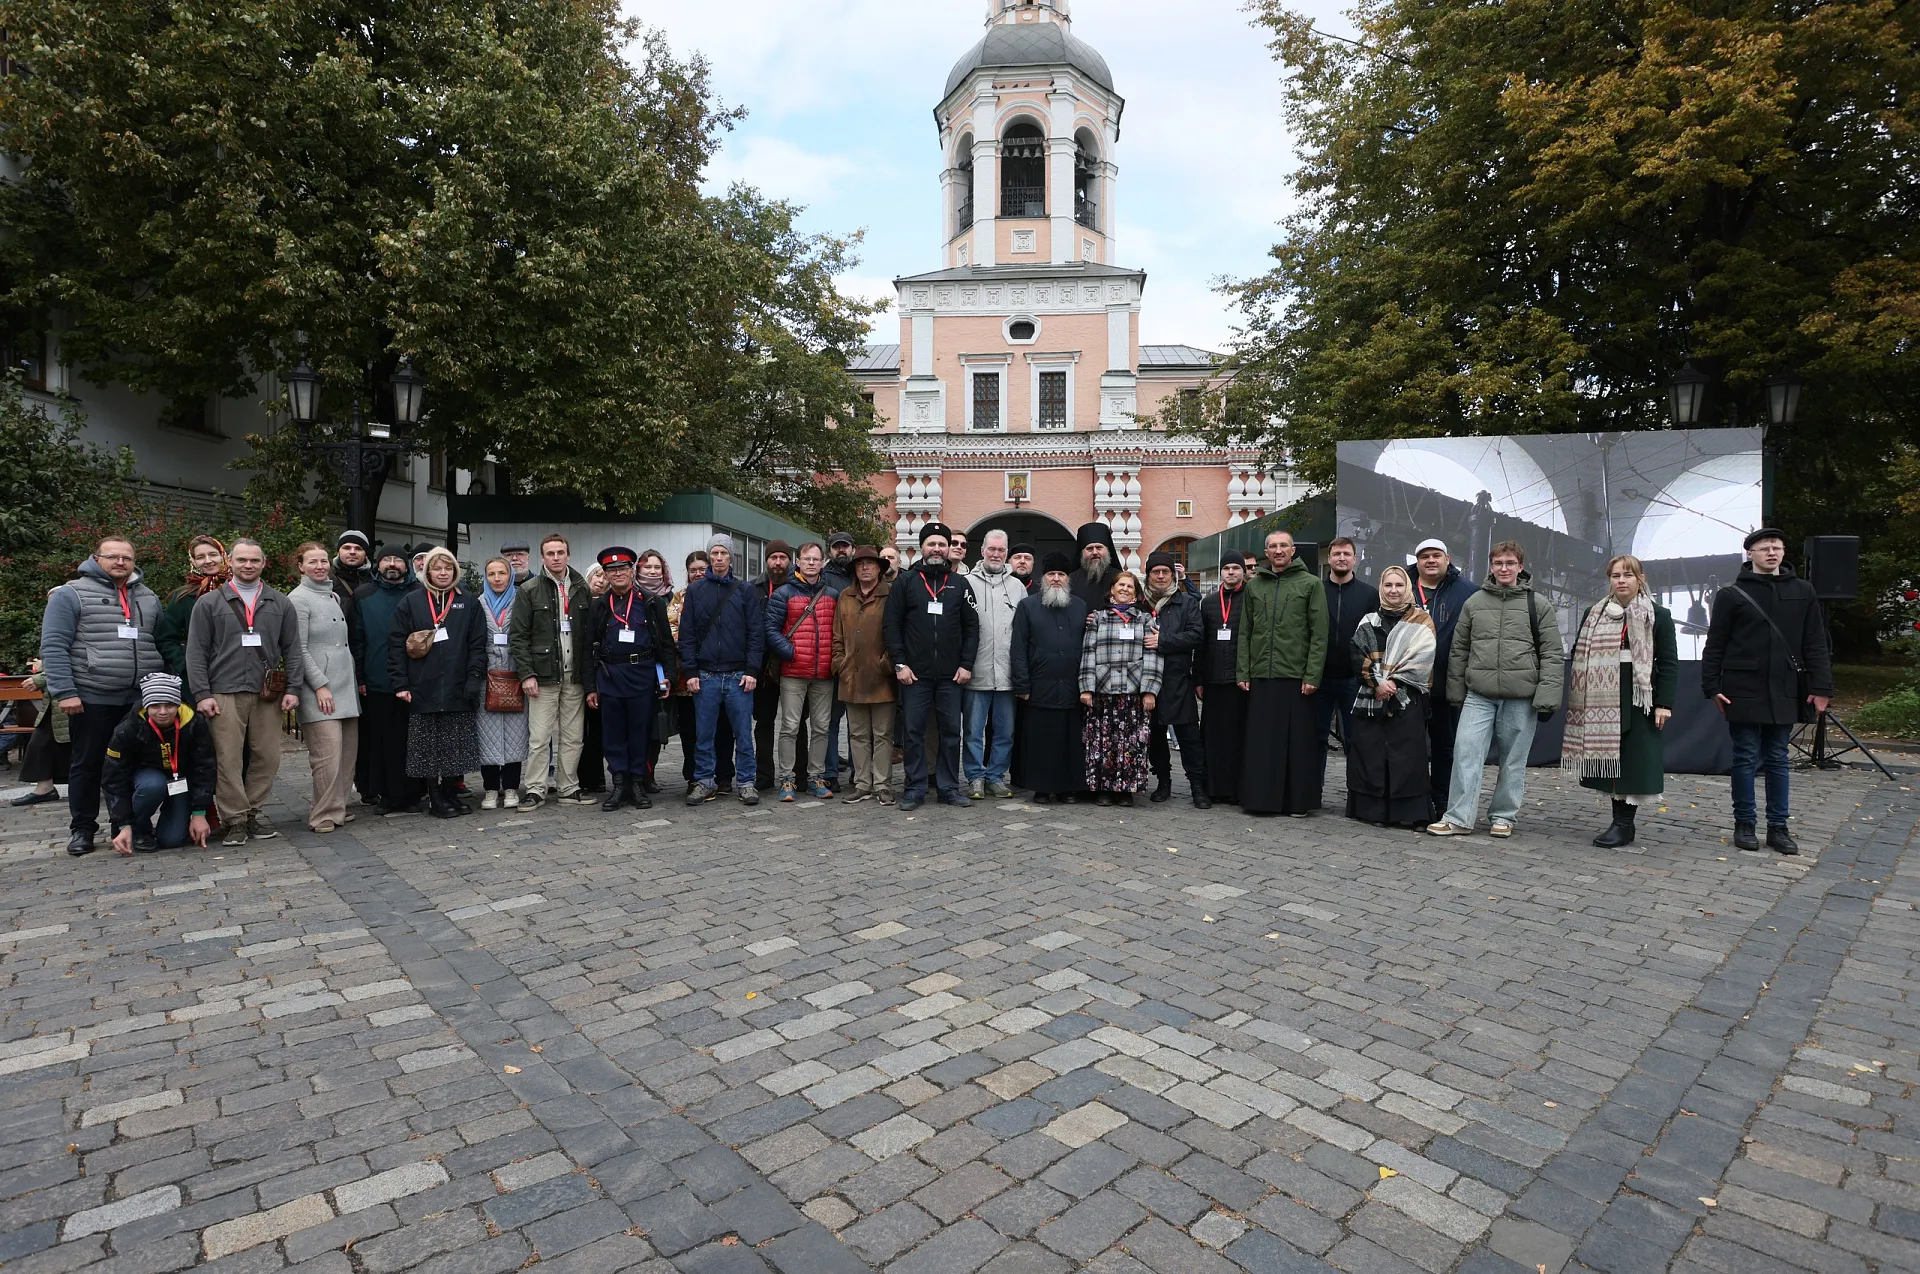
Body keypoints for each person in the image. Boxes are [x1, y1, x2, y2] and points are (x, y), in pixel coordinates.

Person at [1701, 529, 1833, 854]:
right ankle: (1744, 824)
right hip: (1742, 686)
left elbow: (1816, 642)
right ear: (1750, 554)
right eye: (1764, 548)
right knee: (1745, 756)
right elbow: (1715, 644)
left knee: (1777, 757)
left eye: (1776, 547)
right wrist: (1712, 687)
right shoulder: (1731, 594)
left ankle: (1779, 828)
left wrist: (1821, 687)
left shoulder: (1803, 591)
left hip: (1785, 686)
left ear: (1783, 552)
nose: (1771, 553)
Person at [1428, 541, 1564, 838]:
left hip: (1521, 697)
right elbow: (1459, 651)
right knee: (1465, 753)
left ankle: (1504, 816)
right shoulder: (1474, 603)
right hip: (1479, 695)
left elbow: (1552, 653)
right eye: (1499, 563)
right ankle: (1458, 817)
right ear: (1491, 566)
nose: (1504, 568)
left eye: (1510, 563)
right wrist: (1456, 693)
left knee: (1513, 760)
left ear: (1520, 566)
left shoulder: (1537, 604)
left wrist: (1547, 697)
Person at [41, 538, 166, 857]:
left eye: (127, 557)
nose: (121, 562)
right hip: (92, 695)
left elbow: (160, 642)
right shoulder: (71, 594)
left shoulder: (148, 596)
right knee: (87, 764)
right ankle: (82, 828)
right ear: (96, 559)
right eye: (113, 556)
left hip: (139, 698)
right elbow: (53, 646)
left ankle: (130, 826)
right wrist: (65, 692)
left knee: (134, 764)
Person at [186, 537, 302, 846]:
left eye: (254, 560)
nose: (248, 565)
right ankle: (235, 819)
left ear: (264, 563)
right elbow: (196, 652)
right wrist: (202, 694)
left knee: (268, 756)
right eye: (241, 560)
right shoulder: (209, 603)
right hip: (223, 691)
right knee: (228, 758)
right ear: (231, 564)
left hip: (267, 692)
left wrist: (293, 688)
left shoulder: (280, 603)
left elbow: (293, 649)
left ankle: (252, 812)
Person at [1565, 555, 1679, 848]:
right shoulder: (1594, 613)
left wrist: (1663, 703)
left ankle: (1623, 824)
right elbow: (1581, 654)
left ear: (1640, 579)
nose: (1621, 580)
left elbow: (1668, 662)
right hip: (1601, 695)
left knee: (1634, 760)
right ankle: (1620, 823)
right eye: (1615, 575)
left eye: (1628, 575)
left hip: (1640, 696)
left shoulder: (1657, 614)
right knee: (1610, 760)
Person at [884, 522, 978, 810]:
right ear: (921, 548)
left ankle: (949, 787)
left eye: (941, 544)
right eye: (931, 544)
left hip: (952, 676)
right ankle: (914, 788)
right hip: (915, 675)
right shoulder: (906, 582)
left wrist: (966, 664)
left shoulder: (960, 584)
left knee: (951, 732)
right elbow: (891, 625)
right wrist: (900, 663)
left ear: (948, 549)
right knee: (913, 732)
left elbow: (972, 627)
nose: (936, 549)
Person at [389, 546, 485, 817]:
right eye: (437, 568)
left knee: (456, 744)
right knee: (428, 746)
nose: (443, 573)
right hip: (423, 685)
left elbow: (477, 643)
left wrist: (474, 677)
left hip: (458, 684)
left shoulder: (468, 601)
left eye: (448, 568)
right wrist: (401, 683)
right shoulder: (412, 601)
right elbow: (396, 643)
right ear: (427, 570)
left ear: (455, 571)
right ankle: (434, 797)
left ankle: (450, 792)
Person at [1236, 531, 1328, 816]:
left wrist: (1312, 675)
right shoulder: (1254, 586)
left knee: (1296, 743)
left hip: (1296, 675)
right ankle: (1261, 800)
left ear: (1293, 550)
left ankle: (1296, 802)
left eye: (1283, 546)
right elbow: (1245, 631)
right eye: (1273, 546)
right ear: (1266, 551)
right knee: (1263, 742)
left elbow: (1319, 634)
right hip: (1262, 674)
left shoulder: (1311, 584)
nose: (1278, 550)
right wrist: (1244, 670)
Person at [584, 547, 674, 811]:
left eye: (623, 568)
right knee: (613, 734)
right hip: (610, 676)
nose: (618, 574)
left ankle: (637, 782)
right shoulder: (600, 605)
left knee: (639, 732)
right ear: (606, 575)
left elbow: (666, 644)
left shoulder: (650, 602)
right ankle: (619, 783)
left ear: (632, 571)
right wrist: (591, 686)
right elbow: (588, 646)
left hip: (642, 675)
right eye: (612, 570)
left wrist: (667, 676)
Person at [1345, 566, 1435, 828]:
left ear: (1406, 588)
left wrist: (1393, 682)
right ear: (1381, 588)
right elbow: (1355, 653)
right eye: (1388, 585)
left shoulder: (1421, 620)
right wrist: (1376, 684)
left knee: (1406, 756)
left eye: (1398, 585)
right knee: (1370, 754)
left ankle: (1407, 813)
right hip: (1371, 697)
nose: (1393, 590)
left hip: (1408, 698)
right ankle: (1372, 811)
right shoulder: (1368, 620)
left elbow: (1424, 656)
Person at [681, 535, 764, 806]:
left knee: (742, 733)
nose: (718, 558)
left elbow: (755, 633)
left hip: (738, 674)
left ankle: (747, 781)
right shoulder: (695, 591)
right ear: (709, 557)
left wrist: (752, 669)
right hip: (705, 675)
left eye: (723, 554)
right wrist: (690, 671)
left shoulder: (745, 590)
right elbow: (687, 634)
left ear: (731, 558)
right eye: (714, 553)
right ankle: (703, 781)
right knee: (704, 734)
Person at [510, 534, 593, 808]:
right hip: (542, 677)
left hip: (574, 676)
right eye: (550, 553)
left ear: (568, 555)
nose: (556, 557)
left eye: (560, 552)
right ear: (542, 557)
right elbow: (519, 636)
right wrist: (526, 674)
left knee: (573, 737)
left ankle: (568, 787)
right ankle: (535, 789)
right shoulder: (530, 589)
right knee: (539, 738)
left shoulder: (581, 587)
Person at [101, 673, 214, 854]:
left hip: (180, 780)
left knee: (172, 840)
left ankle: (171, 823)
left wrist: (199, 813)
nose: (163, 712)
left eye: (169, 705)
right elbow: (113, 779)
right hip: (146, 779)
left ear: (178, 705)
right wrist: (122, 822)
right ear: (146, 706)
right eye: (155, 706)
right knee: (153, 785)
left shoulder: (194, 723)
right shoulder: (128, 728)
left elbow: (205, 767)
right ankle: (136, 829)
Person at [291, 542, 361, 833]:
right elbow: (299, 648)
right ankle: (322, 814)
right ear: (301, 566)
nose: (320, 566)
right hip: (321, 688)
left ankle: (339, 807)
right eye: (312, 561)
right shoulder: (298, 599)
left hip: (345, 685)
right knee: (327, 757)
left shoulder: (331, 595)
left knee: (347, 755)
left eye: (323, 560)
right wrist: (319, 685)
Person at [1011, 553, 1090, 803]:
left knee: (1070, 739)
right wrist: (1022, 683)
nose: (1056, 578)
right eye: (1051, 574)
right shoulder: (1028, 606)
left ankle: (1068, 788)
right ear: (1043, 577)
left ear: (1068, 579)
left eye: (1061, 574)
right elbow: (1018, 647)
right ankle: (1042, 787)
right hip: (1039, 685)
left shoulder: (1080, 606)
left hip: (1071, 685)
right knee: (1041, 739)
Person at [1079, 570, 1162, 806]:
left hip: (1133, 692)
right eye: (1120, 585)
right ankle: (1103, 789)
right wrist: (1086, 687)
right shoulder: (1097, 618)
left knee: (1131, 743)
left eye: (1130, 586)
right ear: (1112, 590)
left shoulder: (1145, 620)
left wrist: (1149, 690)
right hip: (1103, 691)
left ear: (1136, 594)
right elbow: (1088, 653)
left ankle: (1125, 789)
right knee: (1102, 742)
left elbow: (1153, 655)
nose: (1125, 589)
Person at [351, 545, 423, 814]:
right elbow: (356, 641)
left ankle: (412, 794)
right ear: (377, 564)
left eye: (398, 560)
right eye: (386, 560)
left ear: (407, 566)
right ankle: (385, 794)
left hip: (415, 678)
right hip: (377, 678)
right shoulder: (363, 595)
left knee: (412, 739)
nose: (392, 564)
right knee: (381, 740)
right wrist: (360, 676)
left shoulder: (418, 594)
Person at [767, 541, 838, 802]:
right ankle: (787, 779)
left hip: (823, 673)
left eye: (816, 560)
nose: (811, 563)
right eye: (806, 559)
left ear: (822, 563)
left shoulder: (832, 595)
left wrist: (833, 658)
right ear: (798, 562)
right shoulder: (783, 593)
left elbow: (838, 632)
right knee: (789, 726)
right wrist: (791, 652)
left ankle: (815, 776)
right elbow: (771, 630)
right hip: (794, 671)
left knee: (821, 727)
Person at [1412, 538, 1477, 817]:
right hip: (1410, 684)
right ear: (1417, 562)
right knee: (1409, 745)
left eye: (1436, 555)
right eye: (1424, 556)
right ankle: (1412, 800)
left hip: (1449, 684)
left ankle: (1442, 802)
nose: (1430, 560)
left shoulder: (1469, 592)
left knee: (1445, 747)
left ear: (1447, 559)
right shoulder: (1402, 587)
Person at [1142, 551, 1210, 808]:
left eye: (1165, 572)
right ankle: (1164, 782)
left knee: (1189, 737)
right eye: (1155, 572)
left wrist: (1164, 641)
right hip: (1148, 682)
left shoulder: (1186, 603)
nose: (1161, 576)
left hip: (1178, 680)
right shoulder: (1141, 604)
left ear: (1173, 575)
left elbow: (1196, 636)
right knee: (1155, 737)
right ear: (1148, 576)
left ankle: (1197, 786)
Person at [832, 545, 895, 804]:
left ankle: (882, 784)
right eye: (860, 564)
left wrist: (887, 663)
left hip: (881, 677)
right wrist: (839, 662)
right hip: (852, 676)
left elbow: (898, 632)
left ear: (880, 568)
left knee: (882, 735)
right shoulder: (845, 596)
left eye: (870, 563)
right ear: (855, 570)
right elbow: (837, 636)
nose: (865, 568)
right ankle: (862, 784)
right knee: (857, 734)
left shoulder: (890, 595)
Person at [963, 530, 1023, 799]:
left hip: (1007, 673)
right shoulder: (966, 583)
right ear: (983, 551)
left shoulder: (1017, 587)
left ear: (1006, 553)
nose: (996, 554)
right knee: (973, 731)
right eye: (992, 549)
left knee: (1005, 732)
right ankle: (975, 776)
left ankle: (996, 776)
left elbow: (1023, 631)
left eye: (1001, 550)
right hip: (976, 671)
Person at [1318, 537, 1378, 771]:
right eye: (1336, 554)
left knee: (1356, 741)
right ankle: (1311, 796)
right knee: (1316, 739)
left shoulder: (1369, 594)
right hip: (1319, 678)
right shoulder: (1316, 591)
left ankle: (1357, 801)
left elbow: (1374, 639)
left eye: (1346, 553)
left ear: (1355, 558)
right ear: (1329, 558)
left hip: (1354, 679)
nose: (1341, 558)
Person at [476, 557, 530, 809]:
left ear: (510, 576)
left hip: (516, 674)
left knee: (515, 734)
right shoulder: (477, 604)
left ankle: (510, 787)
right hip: (486, 677)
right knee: (486, 734)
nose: (497, 578)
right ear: (485, 577)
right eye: (491, 574)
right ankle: (489, 788)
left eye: (502, 573)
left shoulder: (522, 600)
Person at [1199, 551, 1250, 805]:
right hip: (1213, 679)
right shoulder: (1208, 602)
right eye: (1227, 568)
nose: (1231, 572)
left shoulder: (1251, 598)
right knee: (1213, 737)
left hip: (1240, 681)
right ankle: (1214, 787)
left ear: (1243, 571)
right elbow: (1202, 643)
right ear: (1221, 572)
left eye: (1235, 568)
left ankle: (1236, 789)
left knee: (1238, 737)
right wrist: (1198, 678)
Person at [157, 535, 229, 693]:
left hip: (235, 673)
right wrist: (185, 667)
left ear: (223, 556)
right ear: (193, 561)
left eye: (213, 554)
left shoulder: (240, 590)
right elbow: (167, 639)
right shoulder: (183, 597)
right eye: (201, 557)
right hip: (197, 679)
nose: (208, 561)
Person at [751, 540, 795, 791]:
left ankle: (799, 774)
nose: (778, 562)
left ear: (790, 561)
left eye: (782, 557)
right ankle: (764, 775)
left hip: (791, 663)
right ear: (766, 561)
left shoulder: (798, 588)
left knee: (795, 723)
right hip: (762, 668)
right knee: (764, 722)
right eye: (773, 558)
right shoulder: (753, 589)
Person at [635, 549, 677, 792]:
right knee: (639, 725)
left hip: (662, 671)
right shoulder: (633, 596)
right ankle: (638, 774)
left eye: (656, 568)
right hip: (639, 669)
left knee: (657, 726)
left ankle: (649, 774)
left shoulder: (672, 597)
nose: (652, 572)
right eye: (647, 567)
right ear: (638, 570)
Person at [820, 532, 857, 791]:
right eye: (836, 547)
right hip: (833, 656)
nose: (841, 551)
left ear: (853, 549)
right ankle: (830, 772)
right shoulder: (823, 577)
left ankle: (859, 772)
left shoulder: (862, 573)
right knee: (831, 720)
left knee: (857, 722)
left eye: (845, 547)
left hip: (861, 659)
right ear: (830, 551)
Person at [12, 660, 70, 807]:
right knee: (41, 742)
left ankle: (46, 788)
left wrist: (40, 678)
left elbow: (76, 661)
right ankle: (45, 787)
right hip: (56, 701)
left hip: (71, 697)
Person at [578, 564, 609, 794]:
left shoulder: (610, 604)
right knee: (580, 730)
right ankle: (584, 775)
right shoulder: (580, 603)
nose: (600, 580)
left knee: (598, 727)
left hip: (604, 672)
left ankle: (597, 776)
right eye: (596, 576)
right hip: (580, 671)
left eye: (603, 576)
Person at [1070, 522, 1120, 607]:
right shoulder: (1070, 581)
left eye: (1099, 548)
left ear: (1107, 550)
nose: (1095, 552)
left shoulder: (1121, 579)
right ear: (1082, 553)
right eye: (1089, 549)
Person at [332, 530, 373, 607]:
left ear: (366, 555)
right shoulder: (327, 580)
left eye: (358, 548)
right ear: (338, 552)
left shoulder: (375, 581)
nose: (352, 552)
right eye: (347, 548)